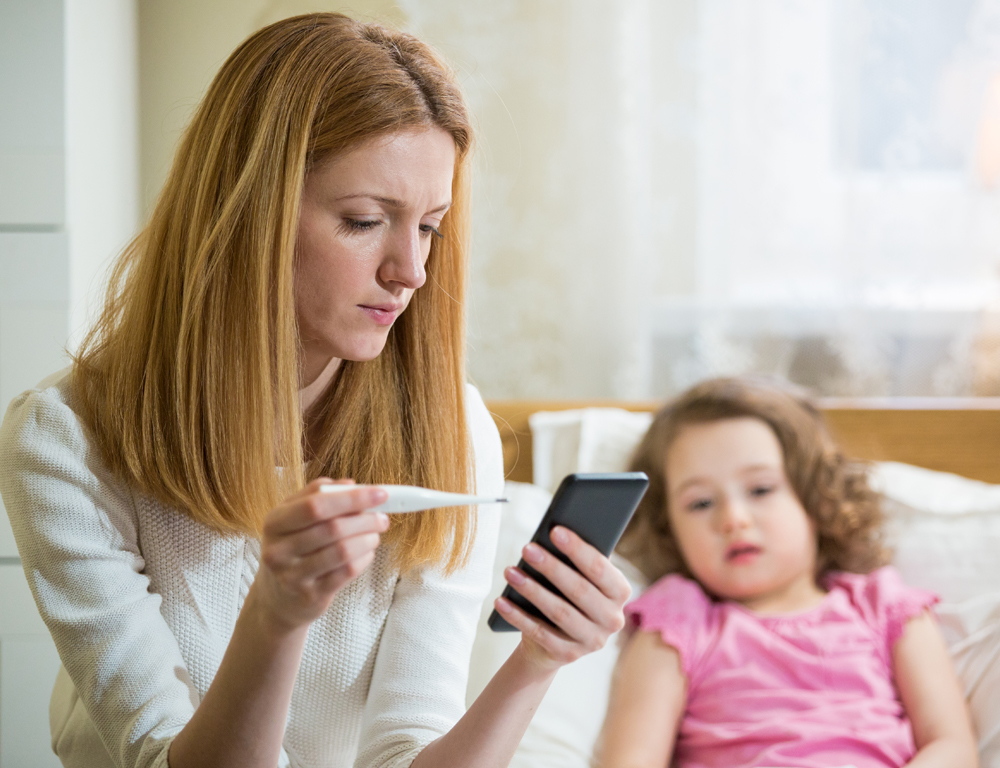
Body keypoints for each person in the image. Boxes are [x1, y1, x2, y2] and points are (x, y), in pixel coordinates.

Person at [0, 13, 631, 768]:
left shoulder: (450, 428)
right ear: (246, 213)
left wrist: (537, 662)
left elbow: (404, 750)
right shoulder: (65, 438)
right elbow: (160, 756)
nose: (412, 271)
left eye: (429, 226)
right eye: (365, 220)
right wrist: (275, 615)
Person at [598, 377, 978, 768]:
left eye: (761, 490)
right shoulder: (677, 620)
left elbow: (953, 748)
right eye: (700, 503)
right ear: (669, 528)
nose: (734, 519)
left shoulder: (885, 606)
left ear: (816, 497)